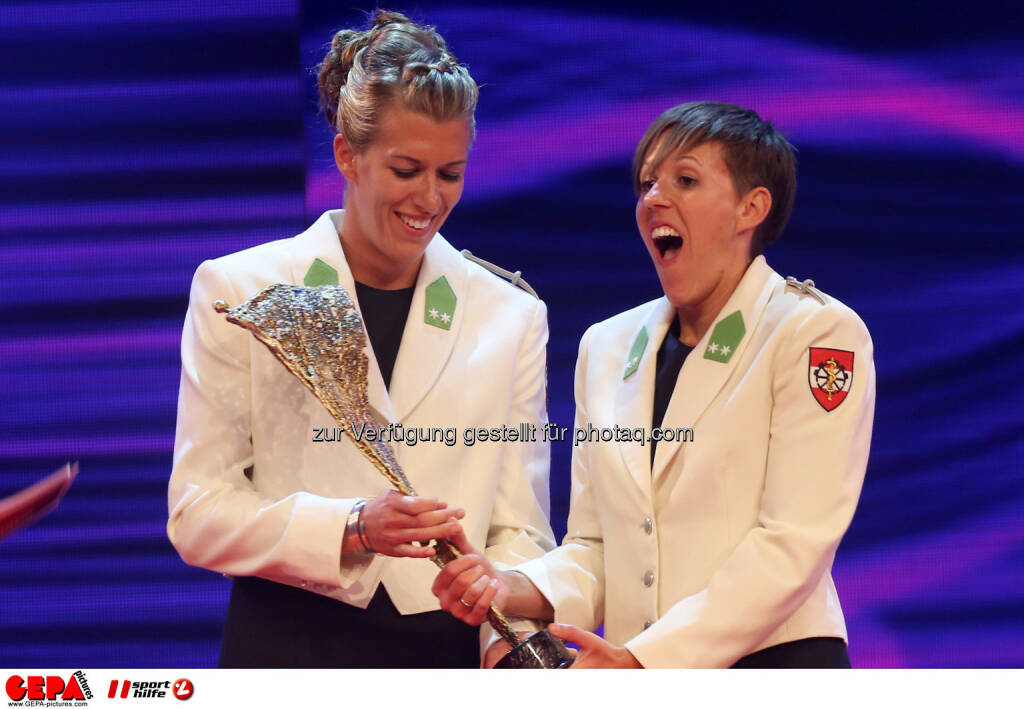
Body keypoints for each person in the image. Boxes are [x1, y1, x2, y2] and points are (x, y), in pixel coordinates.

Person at [167, 10, 554, 668]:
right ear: (348, 154)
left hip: (446, 656)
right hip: (287, 648)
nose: (430, 199)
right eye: (407, 169)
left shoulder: (510, 312)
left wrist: (500, 630)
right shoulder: (242, 287)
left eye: (451, 173)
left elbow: (521, 530)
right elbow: (197, 512)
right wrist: (350, 526)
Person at [433, 101, 876, 668]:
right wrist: (509, 585)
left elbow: (793, 545)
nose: (654, 200)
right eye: (646, 184)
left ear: (751, 207)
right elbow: (596, 549)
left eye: (685, 180)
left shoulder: (815, 332)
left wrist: (645, 662)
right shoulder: (606, 346)